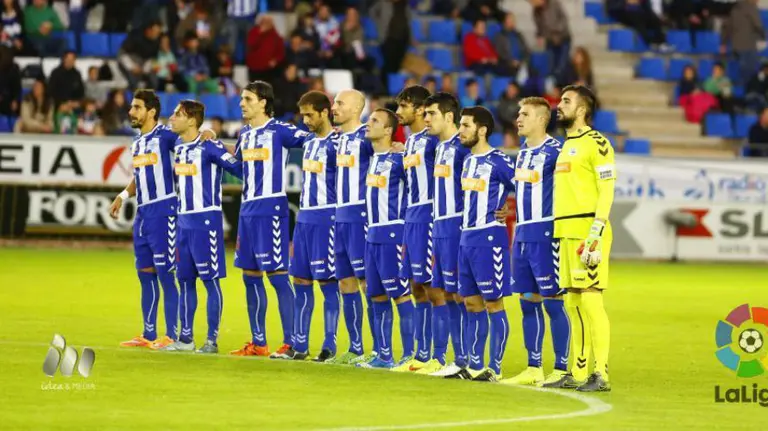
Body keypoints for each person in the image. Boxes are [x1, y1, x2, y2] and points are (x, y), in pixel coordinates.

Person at [111, 90, 215, 351]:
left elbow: (193, 138)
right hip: (143, 214)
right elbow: (140, 176)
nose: (131, 112)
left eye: (136, 107)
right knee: (145, 274)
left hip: (164, 212)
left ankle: (172, 334)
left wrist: (209, 133)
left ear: (151, 112)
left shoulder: (166, 137)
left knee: (166, 275)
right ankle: (148, 333)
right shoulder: (137, 143)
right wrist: (123, 195)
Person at [228, 81, 311, 359]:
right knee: (250, 277)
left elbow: (312, 140)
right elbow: (240, 168)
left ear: (263, 102)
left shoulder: (280, 130)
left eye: (248, 99)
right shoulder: (244, 135)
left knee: (277, 276)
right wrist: (213, 148)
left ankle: (291, 342)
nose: (242, 103)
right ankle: (259, 342)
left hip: (270, 209)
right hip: (247, 210)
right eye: (241, 99)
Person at [542, 84, 614, 392]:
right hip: (565, 231)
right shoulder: (565, 144)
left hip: (587, 231)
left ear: (582, 110)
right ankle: (579, 370)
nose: (559, 105)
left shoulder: (597, 142)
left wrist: (596, 233)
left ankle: (601, 372)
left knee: (591, 299)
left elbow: (607, 189)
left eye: (566, 101)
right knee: (572, 302)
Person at [498, 97, 570, 387]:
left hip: (545, 234)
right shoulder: (524, 152)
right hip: (522, 235)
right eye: (518, 113)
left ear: (542, 119)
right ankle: (533, 367)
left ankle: (562, 368)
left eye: (525, 114)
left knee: (553, 302)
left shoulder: (557, 152)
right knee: (527, 303)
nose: (518, 118)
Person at [161, 100, 242, 354]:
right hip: (183, 221)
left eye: (177, 114)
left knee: (210, 281)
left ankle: (211, 340)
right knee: (185, 280)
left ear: (192, 120)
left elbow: (239, 168)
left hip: (206, 221)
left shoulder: (209, 146)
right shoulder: (178, 146)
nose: (171, 118)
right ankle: (186, 339)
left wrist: (215, 137)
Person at [445, 106, 514, 381]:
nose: (460, 131)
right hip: (466, 238)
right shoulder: (467, 161)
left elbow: (524, 186)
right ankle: (474, 364)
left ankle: (494, 368)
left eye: (465, 126)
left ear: (482, 129)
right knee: (471, 303)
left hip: (489, 239)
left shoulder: (499, 161)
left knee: (493, 303)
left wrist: (511, 210)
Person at [415, 92, 471, 376]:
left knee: (462, 295)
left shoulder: (463, 148)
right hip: (438, 227)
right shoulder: (438, 148)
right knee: (448, 294)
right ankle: (458, 358)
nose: (426, 119)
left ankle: (467, 360)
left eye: (432, 114)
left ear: (450, 117)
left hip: (457, 227)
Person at [356, 108, 414, 370]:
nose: (368, 125)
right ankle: (383, 355)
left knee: (400, 295)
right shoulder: (373, 158)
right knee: (376, 295)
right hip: (372, 235)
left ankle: (411, 355)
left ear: (389, 130)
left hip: (393, 234)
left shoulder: (400, 160)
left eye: (375, 121)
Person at [288, 91, 342, 362]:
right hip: (304, 219)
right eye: (303, 115)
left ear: (325, 112)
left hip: (326, 218)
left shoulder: (340, 143)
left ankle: (329, 344)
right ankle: (299, 345)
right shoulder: (307, 141)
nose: (306, 120)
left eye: (310, 114)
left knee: (327, 280)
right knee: (300, 279)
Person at [391, 85, 438, 372]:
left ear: (420, 110)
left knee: (434, 289)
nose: (398, 113)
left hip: (431, 217)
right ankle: (420, 355)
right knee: (416, 287)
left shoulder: (435, 141)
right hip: (412, 218)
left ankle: (439, 355)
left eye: (403, 107)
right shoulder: (410, 143)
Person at [326, 89, 375, 365]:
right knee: (345, 282)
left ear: (356, 108)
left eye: (340, 103)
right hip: (339, 216)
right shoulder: (337, 139)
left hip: (360, 216)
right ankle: (355, 347)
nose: (335, 107)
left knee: (367, 282)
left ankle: (380, 349)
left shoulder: (367, 137)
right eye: (334, 103)